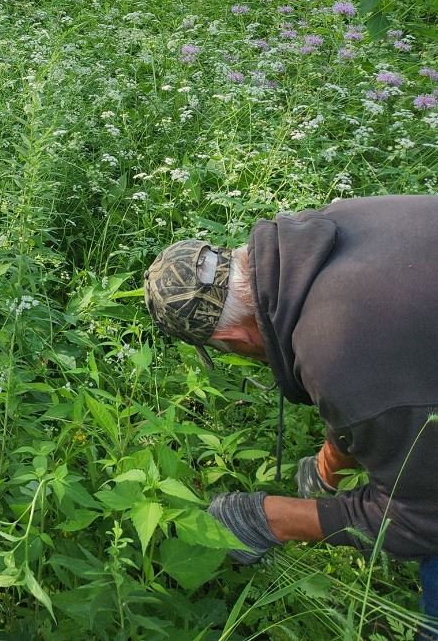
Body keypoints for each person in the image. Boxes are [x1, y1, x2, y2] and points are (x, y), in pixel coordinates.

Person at [143, 196, 438, 620]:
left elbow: (422, 519)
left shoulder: (337, 355)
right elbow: (398, 373)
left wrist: (273, 517)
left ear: (234, 341)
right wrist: (327, 467)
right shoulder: (337, 222)